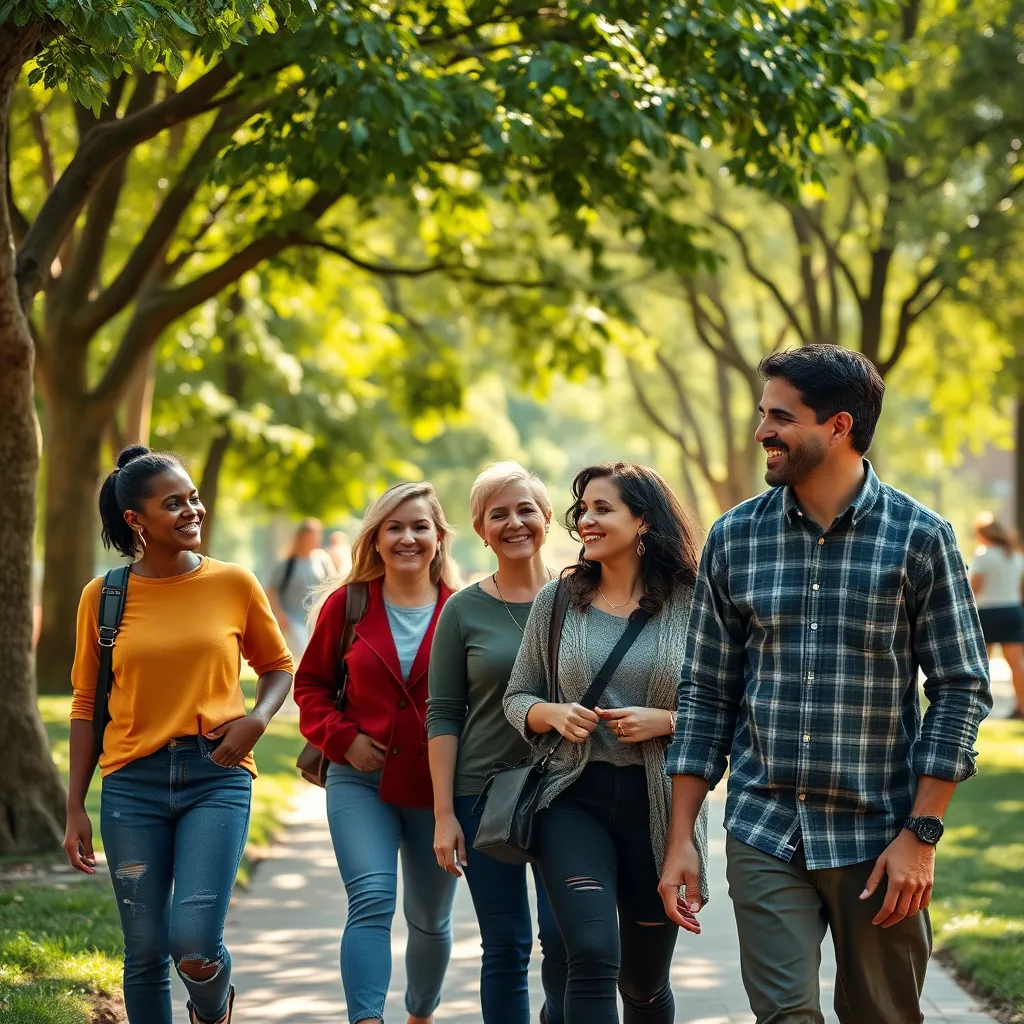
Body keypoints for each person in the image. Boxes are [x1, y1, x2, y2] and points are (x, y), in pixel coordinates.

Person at [661, 345, 993, 1024]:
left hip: (880, 833)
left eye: (780, 417)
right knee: (785, 1017)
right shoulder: (734, 539)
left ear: (838, 426)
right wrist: (681, 839)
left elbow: (960, 686)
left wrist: (922, 835)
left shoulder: (920, 538)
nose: (761, 432)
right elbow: (705, 692)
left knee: (884, 1015)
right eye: (762, 414)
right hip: (765, 826)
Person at [64, 445, 294, 1024]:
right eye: (174, 503)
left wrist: (256, 720)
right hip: (130, 785)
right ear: (136, 521)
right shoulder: (104, 596)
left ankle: (212, 1009)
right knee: (143, 952)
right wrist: (74, 808)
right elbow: (87, 705)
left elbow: (278, 666)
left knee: (192, 944)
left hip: (214, 776)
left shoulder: (233, 583)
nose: (193, 510)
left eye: (193, 498)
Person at [503, 462, 710, 1024]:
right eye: (583, 511)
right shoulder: (558, 600)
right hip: (572, 799)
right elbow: (517, 697)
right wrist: (551, 713)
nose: (586, 522)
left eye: (602, 509)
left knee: (643, 984)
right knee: (591, 955)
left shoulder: (694, 603)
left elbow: (728, 711)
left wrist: (665, 720)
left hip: (658, 806)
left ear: (643, 519)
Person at [294, 482, 461, 1024]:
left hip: (435, 788)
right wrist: (342, 738)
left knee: (429, 919)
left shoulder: (462, 611)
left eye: (420, 526)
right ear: (377, 537)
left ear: (439, 537)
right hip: (358, 780)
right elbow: (311, 687)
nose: (408, 537)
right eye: (395, 526)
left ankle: (420, 1013)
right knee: (370, 901)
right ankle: (367, 1018)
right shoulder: (349, 603)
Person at [426, 462, 568, 1024]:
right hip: (483, 798)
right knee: (506, 946)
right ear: (481, 530)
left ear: (548, 517)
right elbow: (442, 716)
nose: (514, 523)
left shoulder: (581, 597)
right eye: (498, 514)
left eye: (525, 509)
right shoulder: (462, 610)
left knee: (566, 941)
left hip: (568, 791)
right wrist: (443, 816)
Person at [970, 513, 1024, 719]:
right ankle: (1021, 708)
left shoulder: (984, 554)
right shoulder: (1015, 555)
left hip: (988, 612)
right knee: (1017, 664)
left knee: (980, 663)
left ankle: (976, 708)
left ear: (982, 534)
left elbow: (974, 587)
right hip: (1013, 611)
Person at [267, 517, 334, 657]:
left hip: (317, 620)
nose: (316, 538)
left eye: (318, 534)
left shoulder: (323, 560)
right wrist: (279, 615)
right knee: (305, 656)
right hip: (294, 621)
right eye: (312, 535)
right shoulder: (287, 564)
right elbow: (270, 591)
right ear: (302, 537)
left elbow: (333, 586)